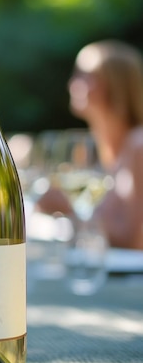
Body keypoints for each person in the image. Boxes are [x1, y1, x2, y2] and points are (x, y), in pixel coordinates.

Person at [37, 40, 143, 249]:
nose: (72, 83)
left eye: (85, 75)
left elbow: (133, 241)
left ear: (114, 83)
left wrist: (69, 208)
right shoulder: (93, 151)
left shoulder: (139, 145)